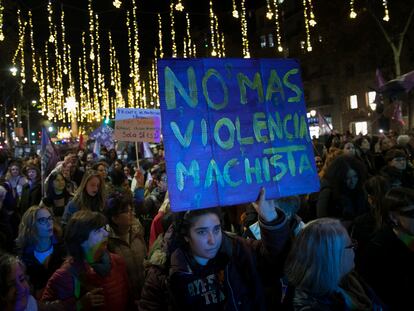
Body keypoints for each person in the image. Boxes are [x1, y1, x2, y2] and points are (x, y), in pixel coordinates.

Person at [138, 188, 290, 310]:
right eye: (202, 232)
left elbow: (276, 262)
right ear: (186, 236)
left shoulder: (238, 250)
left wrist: (270, 218)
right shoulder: (162, 274)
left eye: (216, 230)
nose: (213, 240)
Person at [285, 218, 384, 310]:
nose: (354, 249)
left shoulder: (348, 278)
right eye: (351, 245)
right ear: (333, 257)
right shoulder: (309, 306)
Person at [41, 210, 131, 310]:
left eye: (104, 228)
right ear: (81, 240)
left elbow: (128, 300)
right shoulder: (65, 275)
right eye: (98, 231)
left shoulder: (117, 262)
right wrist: (79, 305)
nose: (106, 234)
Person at [356, 187, 414, 309]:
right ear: (393, 217)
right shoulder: (378, 250)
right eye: (411, 213)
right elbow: (390, 296)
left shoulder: (408, 237)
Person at [104, 192, 147, 302]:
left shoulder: (138, 231)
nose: (132, 213)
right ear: (114, 218)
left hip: (145, 295)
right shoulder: (107, 242)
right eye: (126, 211)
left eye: (131, 210)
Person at [15, 206, 65, 299]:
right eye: (42, 220)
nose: (49, 223)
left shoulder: (62, 248)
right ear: (31, 225)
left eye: (50, 218)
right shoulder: (23, 255)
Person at [316, 155, 368, 226]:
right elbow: (322, 219)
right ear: (340, 178)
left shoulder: (359, 188)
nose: (353, 181)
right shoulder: (328, 191)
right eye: (348, 178)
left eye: (355, 176)